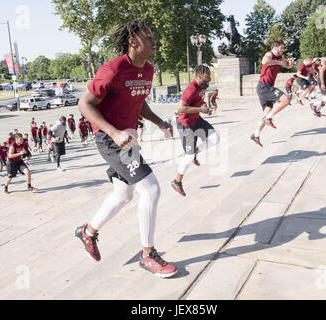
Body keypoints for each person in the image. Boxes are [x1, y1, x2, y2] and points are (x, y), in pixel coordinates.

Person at [75, 20, 177, 278]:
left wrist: (160, 123)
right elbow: (84, 104)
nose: (154, 40)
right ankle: (147, 254)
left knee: (123, 195)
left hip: (128, 138)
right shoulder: (112, 70)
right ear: (133, 42)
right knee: (151, 189)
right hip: (111, 139)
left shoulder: (149, 69)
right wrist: (114, 132)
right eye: (148, 37)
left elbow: (139, 101)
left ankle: (88, 232)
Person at [171, 65, 220, 197]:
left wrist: (206, 107)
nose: (209, 77)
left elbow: (199, 102)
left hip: (196, 120)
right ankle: (177, 181)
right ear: (199, 77)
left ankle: (194, 153)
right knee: (188, 157)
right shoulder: (191, 88)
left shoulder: (203, 86)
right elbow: (180, 108)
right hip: (185, 124)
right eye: (207, 75)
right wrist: (200, 110)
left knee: (215, 138)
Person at [250, 40, 295, 147]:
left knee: (267, 112)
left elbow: (287, 65)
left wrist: (290, 64)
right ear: (275, 48)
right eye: (281, 48)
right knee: (286, 100)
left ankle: (256, 134)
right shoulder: (269, 54)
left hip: (264, 87)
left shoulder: (280, 56)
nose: (282, 50)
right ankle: (268, 118)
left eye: (283, 48)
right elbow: (264, 61)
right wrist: (279, 62)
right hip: (264, 86)